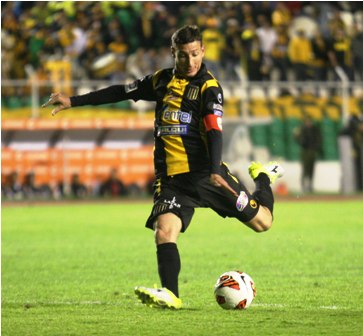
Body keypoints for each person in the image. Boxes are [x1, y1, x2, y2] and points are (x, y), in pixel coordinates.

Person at [42, 25, 284, 309]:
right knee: (164, 232)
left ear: (202, 51)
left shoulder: (209, 87)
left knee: (262, 223)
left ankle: (264, 177)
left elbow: (214, 128)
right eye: (183, 55)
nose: (190, 61)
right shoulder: (161, 81)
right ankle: (171, 294)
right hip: (171, 179)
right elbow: (121, 91)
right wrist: (73, 100)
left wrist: (216, 170)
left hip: (206, 174)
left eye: (195, 54)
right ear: (174, 54)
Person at [294, 116, 322, 194]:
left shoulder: (314, 130)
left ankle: (310, 186)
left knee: (311, 170)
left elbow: (319, 139)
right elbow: (297, 138)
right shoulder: (302, 130)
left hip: (312, 151)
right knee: (305, 169)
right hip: (305, 151)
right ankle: (304, 186)